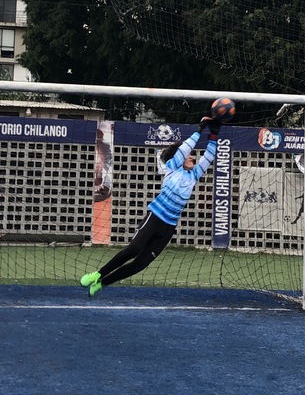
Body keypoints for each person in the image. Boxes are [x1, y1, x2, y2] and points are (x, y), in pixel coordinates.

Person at [80, 116, 221, 296]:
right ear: (179, 158)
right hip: (154, 218)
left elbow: (208, 158)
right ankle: (97, 275)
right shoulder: (172, 167)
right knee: (133, 250)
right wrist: (200, 128)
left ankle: (102, 283)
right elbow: (185, 147)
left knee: (141, 264)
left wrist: (214, 135)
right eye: (189, 154)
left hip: (168, 227)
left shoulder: (193, 176)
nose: (192, 156)